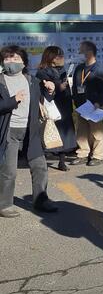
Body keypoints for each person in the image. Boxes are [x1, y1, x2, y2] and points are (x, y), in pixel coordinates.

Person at [0, 45, 58, 216]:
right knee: (9, 171)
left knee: (40, 166)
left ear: (24, 63)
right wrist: (13, 101)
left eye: (16, 58)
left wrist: (51, 90)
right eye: (7, 58)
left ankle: (41, 200)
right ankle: (4, 205)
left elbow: (45, 97)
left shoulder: (32, 80)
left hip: (30, 130)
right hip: (9, 131)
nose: (11, 62)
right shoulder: (0, 81)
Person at [36, 46, 76, 171]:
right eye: (59, 56)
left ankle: (62, 161)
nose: (62, 58)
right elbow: (43, 91)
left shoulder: (63, 70)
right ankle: (42, 160)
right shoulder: (43, 72)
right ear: (52, 58)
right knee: (49, 132)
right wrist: (58, 87)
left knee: (63, 135)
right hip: (52, 106)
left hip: (64, 106)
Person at [71, 41, 103, 166]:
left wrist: (98, 103)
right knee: (81, 131)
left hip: (95, 104)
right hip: (82, 104)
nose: (80, 52)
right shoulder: (79, 68)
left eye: (82, 50)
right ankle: (83, 153)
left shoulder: (100, 69)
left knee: (97, 132)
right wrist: (76, 101)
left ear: (90, 52)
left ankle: (98, 156)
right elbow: (75, 87)